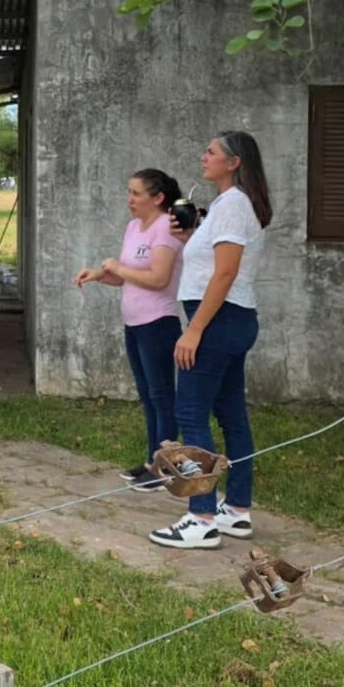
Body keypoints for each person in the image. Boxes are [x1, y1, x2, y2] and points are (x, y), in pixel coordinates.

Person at [148, 130, 273, 549]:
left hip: (218, 322)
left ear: (234, 162)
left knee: (191, 411)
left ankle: (200, 517)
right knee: (231, 412)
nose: (204, 156)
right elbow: (211, 263)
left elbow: (225, 273)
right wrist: (190, 238)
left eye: (212, 152)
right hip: (227, 320)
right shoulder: (226, 205)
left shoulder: (235, 204)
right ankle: (236, 510)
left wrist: (195, 329)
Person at [75, 168, 185, 491]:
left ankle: (165, 466)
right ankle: (153, 461)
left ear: (158, 198)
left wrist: (119, 267)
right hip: (134, 325)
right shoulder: (134, 227)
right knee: (148, 396)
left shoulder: (166, 227)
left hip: (158, 324)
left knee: (162, 396)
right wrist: (99, 274)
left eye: (136, 193)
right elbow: (126, 277)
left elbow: (159, 278)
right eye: (129, 192)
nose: (130, 200)